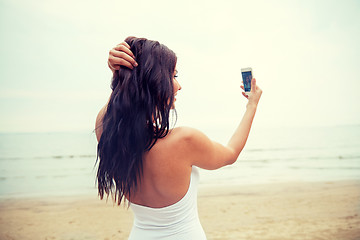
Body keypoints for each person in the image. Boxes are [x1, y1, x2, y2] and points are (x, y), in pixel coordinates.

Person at [95, 36, 262, 240]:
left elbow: (117, 106)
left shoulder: (106, 129)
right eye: (173, 76)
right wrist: (251, 106)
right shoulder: (184, 141)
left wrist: (121, 75)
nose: (178, 85)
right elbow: (231, 153)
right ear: (152, 81)